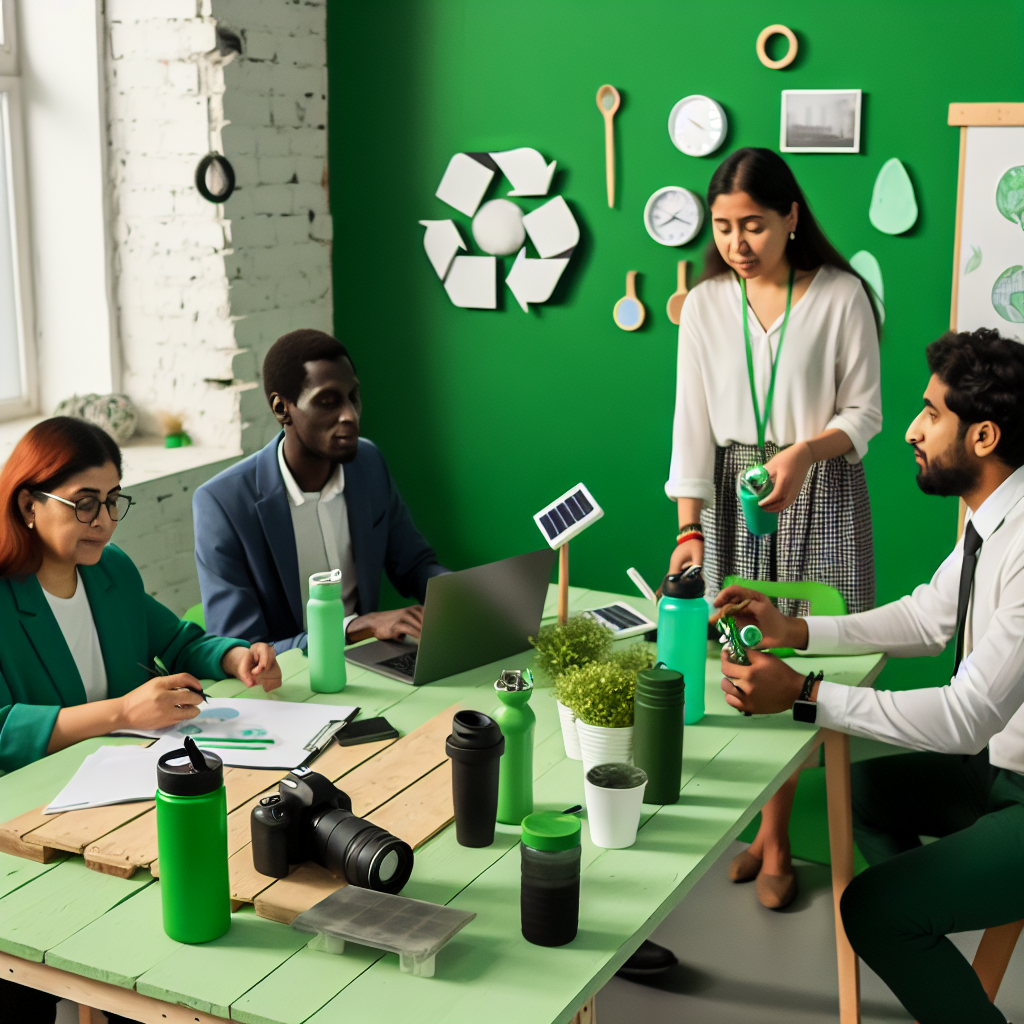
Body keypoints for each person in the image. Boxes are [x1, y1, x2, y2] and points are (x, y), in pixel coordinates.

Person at [715, 328, 1023, 1024]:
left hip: (1016, 783)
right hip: (998, 769)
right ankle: (938, 941)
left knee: (874, 909)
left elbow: (963, 717)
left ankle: (923, 935)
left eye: (932, 413)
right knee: (856, 794)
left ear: (982, 437)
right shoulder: (994, 519)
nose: (913, 430)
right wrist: (796, 632)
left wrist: (804, 694)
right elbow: (928, 617)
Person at [0, 416, 281, 1024]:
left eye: (112, 501)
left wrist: (233, 655)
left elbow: (178, 639)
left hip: (125, 791)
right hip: (33, 815)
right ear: (28, 503)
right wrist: (122, 712)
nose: (103, 520)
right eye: (83, 504)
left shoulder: (111, 570)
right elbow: (1, 731)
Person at [665, 147, 882, 911]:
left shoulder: (842, 294)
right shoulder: (704, 304)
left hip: (816, 488)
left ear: (791, 216)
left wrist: (802, 452)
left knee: (798, 651)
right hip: (732, 492)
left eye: (753, 224)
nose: (737, 243)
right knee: (740, 654)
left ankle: (778, 837)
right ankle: (769, 830)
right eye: (724, 227)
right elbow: (691, 421)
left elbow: (865, 414)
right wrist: (690, 528)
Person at [193, 329, 448, 652]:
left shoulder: (368, 463)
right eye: (327, 402)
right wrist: (354, 628)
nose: (350, 415)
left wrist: (465, 598)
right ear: (281, 409)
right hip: (290, 682)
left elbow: (413, 564)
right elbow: (241, 648)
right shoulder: (223, 503)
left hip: (369, 663)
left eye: (353, 397)